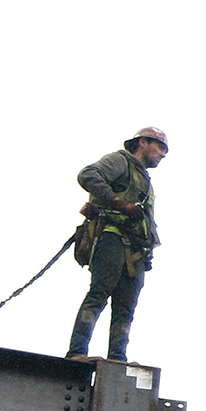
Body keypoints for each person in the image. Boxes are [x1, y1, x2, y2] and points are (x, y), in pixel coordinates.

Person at [67, 128, 168, 362]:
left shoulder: (144, 179)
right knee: (99, 294)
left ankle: (117, 359)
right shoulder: (121, 161)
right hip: (112, 238)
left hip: (136, 251)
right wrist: (118, 203)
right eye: (160, 147)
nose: (163, 154)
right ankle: (77, 352)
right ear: (143, 142)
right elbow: (88, 175)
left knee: (125, 309)